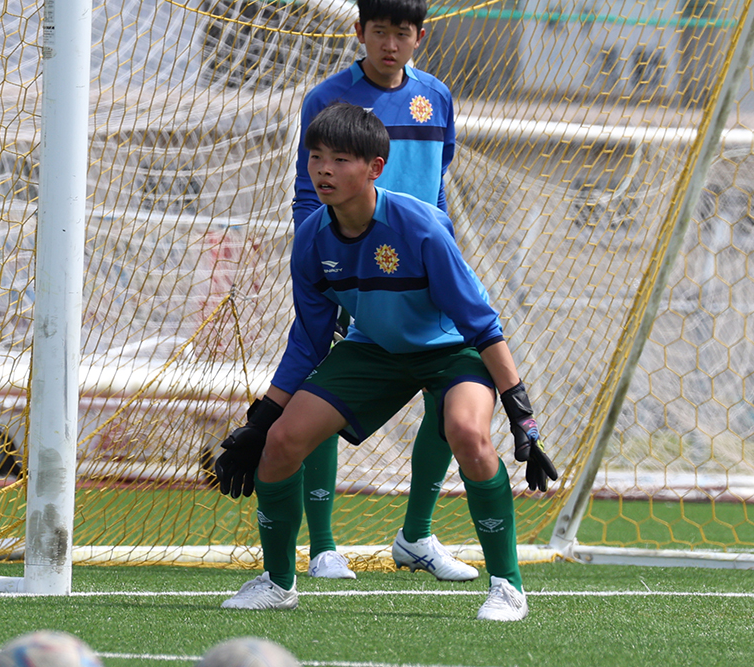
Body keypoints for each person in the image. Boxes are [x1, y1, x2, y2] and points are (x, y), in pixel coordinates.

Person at [214, 103, 558, 620]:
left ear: (375, 167)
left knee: (469, 435)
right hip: (374, 349)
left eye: (340, 159)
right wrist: (260, 422)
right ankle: (277, 583)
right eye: (315, 157)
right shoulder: (311, 238)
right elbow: (309, 341)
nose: (324, 170)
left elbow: (481, 323)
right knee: (282, 442)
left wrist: (521, 416)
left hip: (452, 348)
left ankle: (508, 587)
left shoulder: (420, 227)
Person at [290, 0, 468, 582]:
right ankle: (323, 547)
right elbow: (308, 194)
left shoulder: (436, 98)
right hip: (350, 274)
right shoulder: (326, 99)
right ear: (359, 32)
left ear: (420, 37)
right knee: (320, 389)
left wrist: (442, 255)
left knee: (450, 389)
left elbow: (436, 190)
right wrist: (326, 268)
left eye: (402, 33)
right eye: (379, 31)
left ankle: (416, 535)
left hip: (419, 273)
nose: (390, 44)